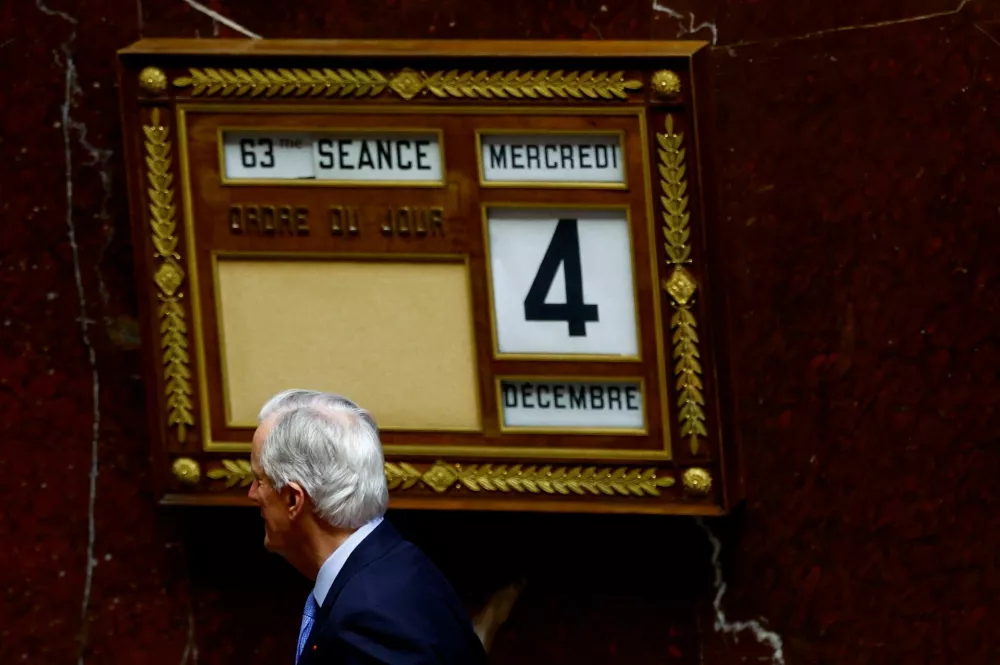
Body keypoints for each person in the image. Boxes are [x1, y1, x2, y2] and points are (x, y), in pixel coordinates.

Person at [248, 389, 488, 665]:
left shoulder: (370, 620)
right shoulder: (394, 563)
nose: (252, 494)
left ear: (293, 499)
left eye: (259, 480)